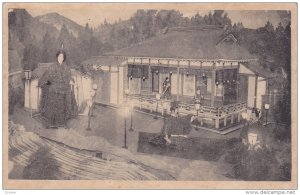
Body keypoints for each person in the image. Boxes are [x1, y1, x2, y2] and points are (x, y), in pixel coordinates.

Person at [38, 50, 78, 128]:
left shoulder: (66, 67)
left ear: (64, 58)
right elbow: (46, 77)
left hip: (63, 90)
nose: (61, 58)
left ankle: (61, 123)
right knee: (53, 107)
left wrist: (71, 81)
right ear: (57, 57)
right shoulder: (52, 67)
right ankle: (51, 124)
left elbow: (69, 77)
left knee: (62, 107)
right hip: (54, 90)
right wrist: (47, 83)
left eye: (62, 57)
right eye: (59, 56)